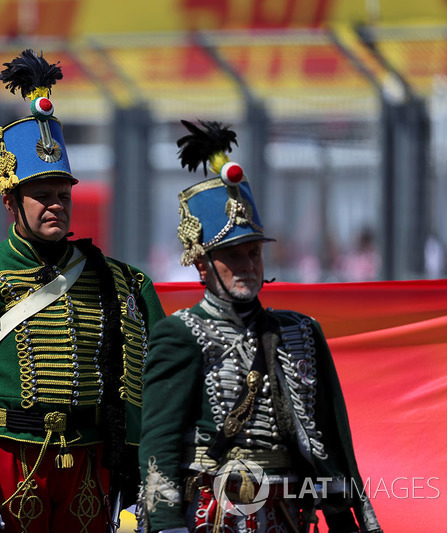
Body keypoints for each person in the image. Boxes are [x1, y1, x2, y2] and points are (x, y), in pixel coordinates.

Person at [0, 49, 165, 533]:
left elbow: (154, 386)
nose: (56, 204)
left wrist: (146, 475)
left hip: (92, 465)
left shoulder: (122, 281)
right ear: (10, 200)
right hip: (10, 461)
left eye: (63, 193)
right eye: (41, 194)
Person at [137, 120, 382, 533]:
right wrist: (165, 523)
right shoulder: (179, 333)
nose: (247, 266)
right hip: (213, 514)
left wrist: (344, 514)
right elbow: (159, 440)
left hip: (288, 511)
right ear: (201, 264)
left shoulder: (299, 333)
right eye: (232, 256)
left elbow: (329, 436)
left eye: (253, 253)